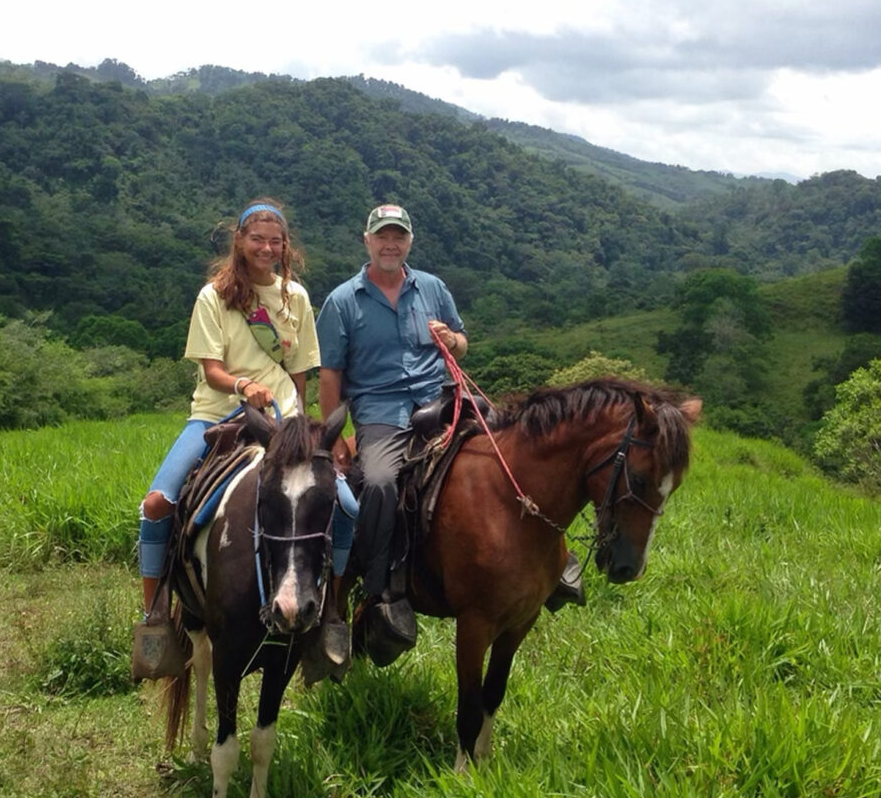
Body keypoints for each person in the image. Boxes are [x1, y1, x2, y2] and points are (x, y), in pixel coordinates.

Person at [316, 203, 583, 656]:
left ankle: (554, 560)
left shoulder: (432, 288)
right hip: (381, 410)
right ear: (367, 241)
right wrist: (336, 438)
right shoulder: (343, 301)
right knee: (379, 482)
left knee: (518, 448)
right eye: (382, 236)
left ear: (409, 242)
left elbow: (461, 343)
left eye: (398, 236)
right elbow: (330, 377)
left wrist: (452, 340)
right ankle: (381, 589)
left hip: (440, 399)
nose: (390, 244)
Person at [134, 198, 326, 675]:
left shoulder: (295, 298)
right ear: (239, 241)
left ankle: (331, 617)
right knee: (157, 503)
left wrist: (301, 422)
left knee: (342, 501)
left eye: (275, 241)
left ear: (286, 246)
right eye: (257, 239)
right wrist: (244, 386)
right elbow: (212, 370)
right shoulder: (213, 297)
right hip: (217, 415)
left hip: (281, 419)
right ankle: (154, 615)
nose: (266, 248)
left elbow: (299, 374)